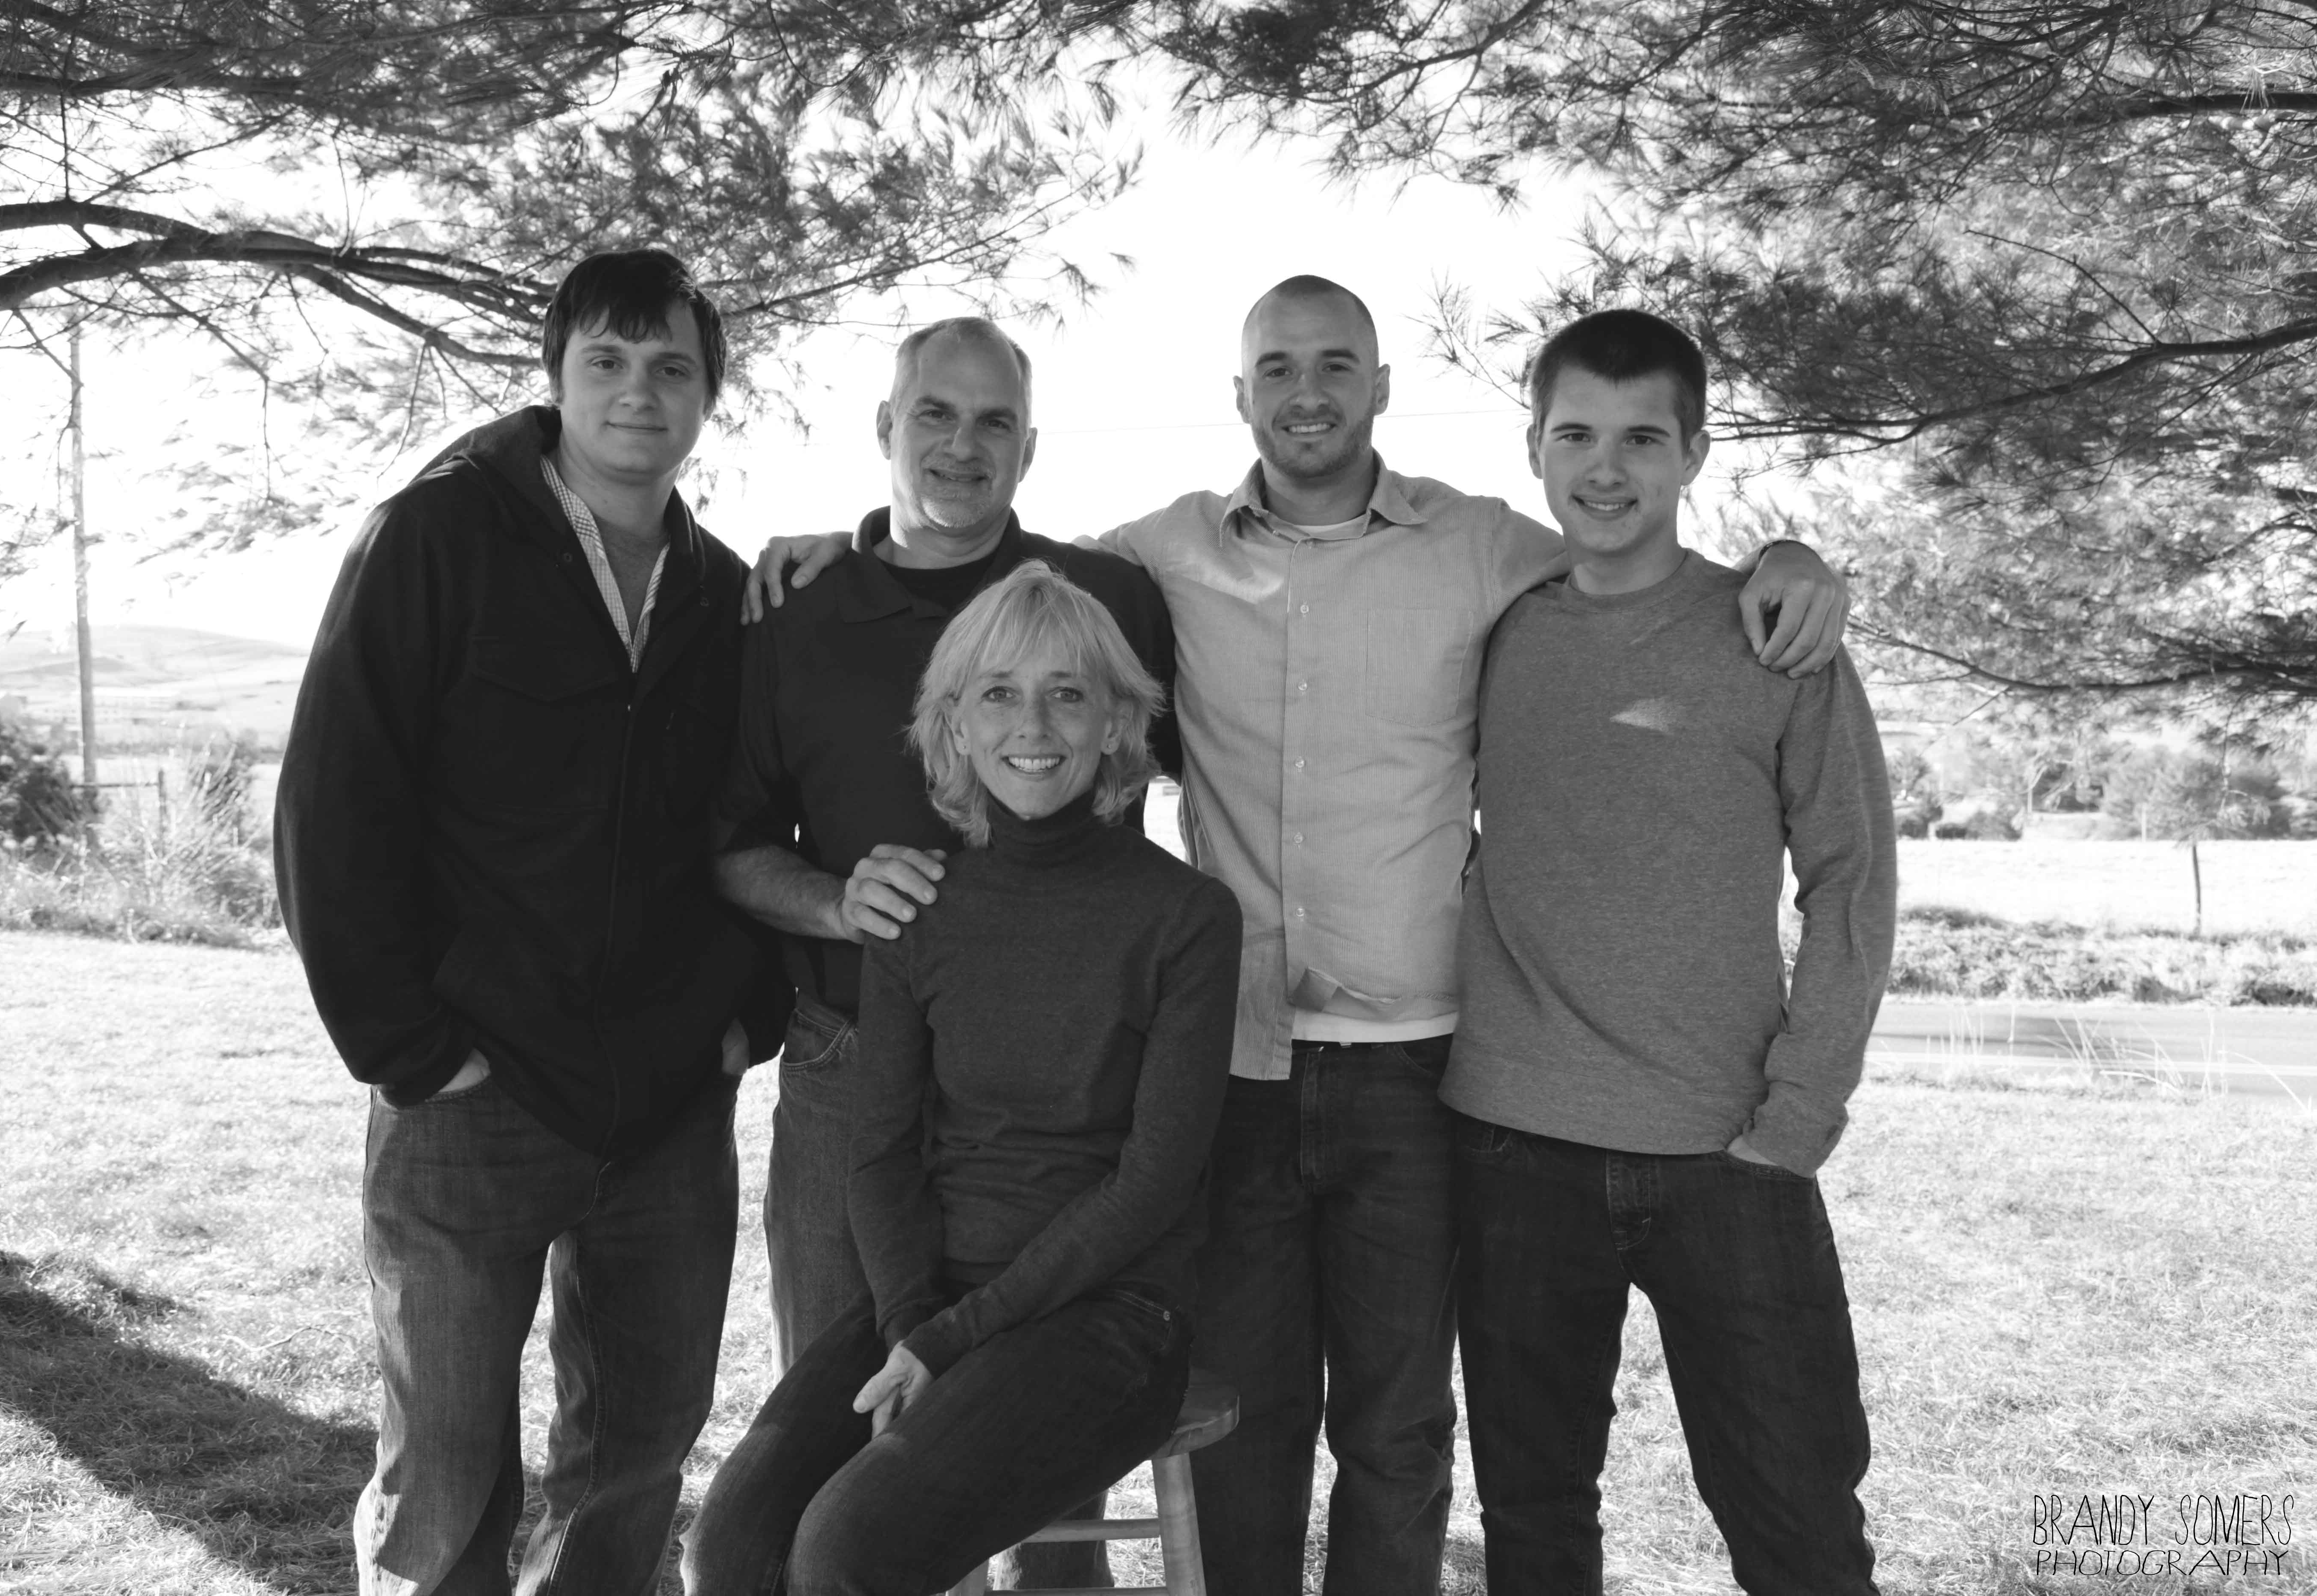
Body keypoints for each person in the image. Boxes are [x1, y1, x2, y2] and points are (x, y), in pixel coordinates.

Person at [746, 276, 1849, 1596]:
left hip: (1419, 1062)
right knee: (1249, 1424)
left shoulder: (1482, 544)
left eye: (1336, 366)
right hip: (1238, 1064)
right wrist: (850, 544)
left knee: (1397, 1427)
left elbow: (1630, 544)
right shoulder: (1154, 556)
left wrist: (1786, 560)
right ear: (1241, 393)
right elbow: (996, 585)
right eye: (1278, 367)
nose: (1307, 392)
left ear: (1381, 388)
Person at [276, 249, 786, 1596]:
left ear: (708, 396)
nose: (639, 393)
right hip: (472, 1088)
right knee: (447, 1474)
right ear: (554, 374)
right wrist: (411, 1049)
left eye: (672, 367)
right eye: (606, 361)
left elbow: (766, 817)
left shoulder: (726, 594)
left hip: (668, 1103)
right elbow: (334, 802)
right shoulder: (434, 539)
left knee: (637, 1453)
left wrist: (748, 1017)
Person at [1443, 308, 1895, 1594]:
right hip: (1513, 1146)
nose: (1607, 468)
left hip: (1728, 1153)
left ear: (1695, 452)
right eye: (1576, 435)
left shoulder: (1776, 638)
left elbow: (1853, 881)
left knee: (1801, 1531)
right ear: (1534, 448)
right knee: (1535, 1526)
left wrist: (1796, 1120)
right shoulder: (1493, 632)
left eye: (1643, 438)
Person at [684, 561, 1242, 1595]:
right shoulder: (921, 906)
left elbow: (1153, 1182)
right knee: (729, 1549)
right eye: (998, 694)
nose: (1033, 724)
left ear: (1118, 722)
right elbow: (881, 1155)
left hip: (1115, 1316)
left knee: (847, 1549)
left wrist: (948, 1343)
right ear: (954, 725)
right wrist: (911, 1326)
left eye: (1067, 693)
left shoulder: (1187, 918)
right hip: (931, 1299)